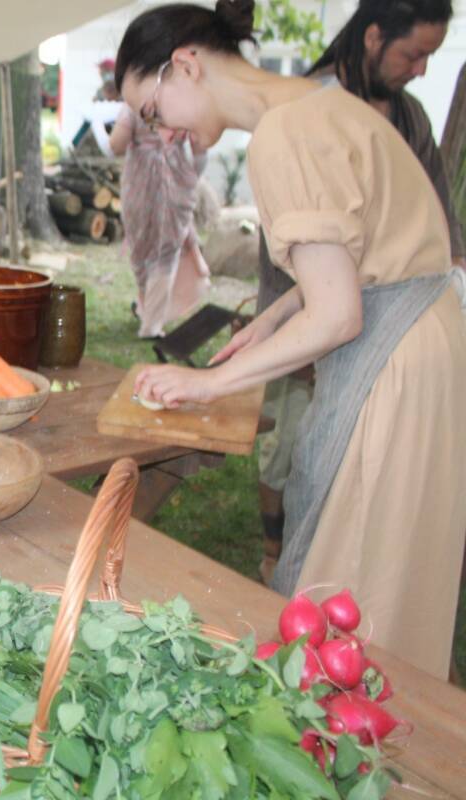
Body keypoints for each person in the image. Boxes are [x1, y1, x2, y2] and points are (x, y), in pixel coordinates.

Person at [117, 0, 466, 678]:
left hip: (396, 367)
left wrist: (207, 383)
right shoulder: (323, 105)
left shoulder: (285, 134)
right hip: (426, 349)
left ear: (185, 64)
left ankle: (354, 736)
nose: (161, 133)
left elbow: (338, 316)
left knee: (359, 590)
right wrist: (272, 320)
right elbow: (357, 260)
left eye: (152, 112)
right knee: (397, 580)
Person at [254, 0, 463, 585]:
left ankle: (347, 582)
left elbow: (440, 225)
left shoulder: (410, 119)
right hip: (308, 317)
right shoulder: (307, 108)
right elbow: (292, 244)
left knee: (372, 479)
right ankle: (276, 557)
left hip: (389, 336)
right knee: (294, 450)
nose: (421, 69)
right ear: (373, 37)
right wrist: (290, 325)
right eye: (414, 54)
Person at [110, 105, 211, 338]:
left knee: (142, 249)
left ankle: (151, 317)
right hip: (175, 179)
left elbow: (115, 145)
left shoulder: (134, 106)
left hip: (139, 182)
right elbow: (200, 150)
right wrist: (191, 176)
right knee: (167, 251)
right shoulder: (182, 103)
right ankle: (151, 316)